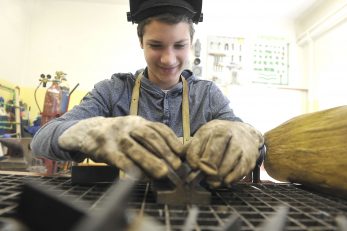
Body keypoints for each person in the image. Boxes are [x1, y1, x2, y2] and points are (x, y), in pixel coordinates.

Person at [31, 0, 264, 187]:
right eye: (156, 45)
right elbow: (41, 140)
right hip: (125, 212)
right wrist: (90, 132)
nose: (168, 59)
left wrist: (243, 135)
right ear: (141, 41)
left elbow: (256, 146)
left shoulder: (208, 95)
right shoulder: (113, 91)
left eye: (179, 45)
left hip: (195, 212)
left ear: (191, 43)